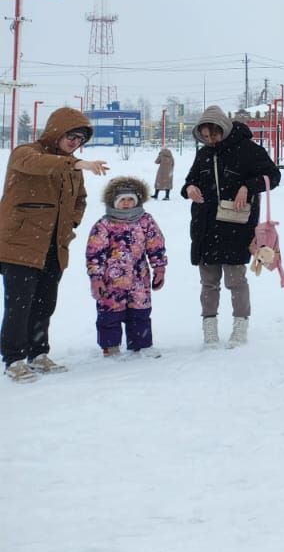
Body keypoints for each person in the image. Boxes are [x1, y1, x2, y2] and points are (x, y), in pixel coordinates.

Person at [1, 108, 105, 382]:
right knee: (19, 306)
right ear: (56, 131)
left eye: (80, 139)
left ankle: (38, 353)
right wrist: (76, 164)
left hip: (53, 247)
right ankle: (13, 359)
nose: (75, 142)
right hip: (20, 245)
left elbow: (80, 199)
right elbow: (36, 164)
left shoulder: (72, 168)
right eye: (71, 135)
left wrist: (71, 223)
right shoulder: (26, 153)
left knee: (45, 303)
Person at [179, 106, 280, 348]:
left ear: (223, 129)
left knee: (236, 279)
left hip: (236, 226)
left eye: (213, 135)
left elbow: (272, 176)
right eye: (204, 137)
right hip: (205, 226)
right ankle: (209, 327)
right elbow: (190, 181)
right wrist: (189, 189)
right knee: (208, 281)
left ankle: (240, 325)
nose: (210, 140)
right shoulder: (204, 154)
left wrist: (247, 186)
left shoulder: (248, 150)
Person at [85, 177, 168, 358]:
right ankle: (111, 346)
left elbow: (156, 245)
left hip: (140, 277)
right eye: (122, 200)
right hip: (111, 280)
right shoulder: (105, 224)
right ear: (114, 202)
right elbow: (95, 252)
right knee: (110, 313)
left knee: (140, 311)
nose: (127, 204)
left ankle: (141, 344)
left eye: (130, 199)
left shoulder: (145, 221)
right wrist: (96, 277)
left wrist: (159, 268)